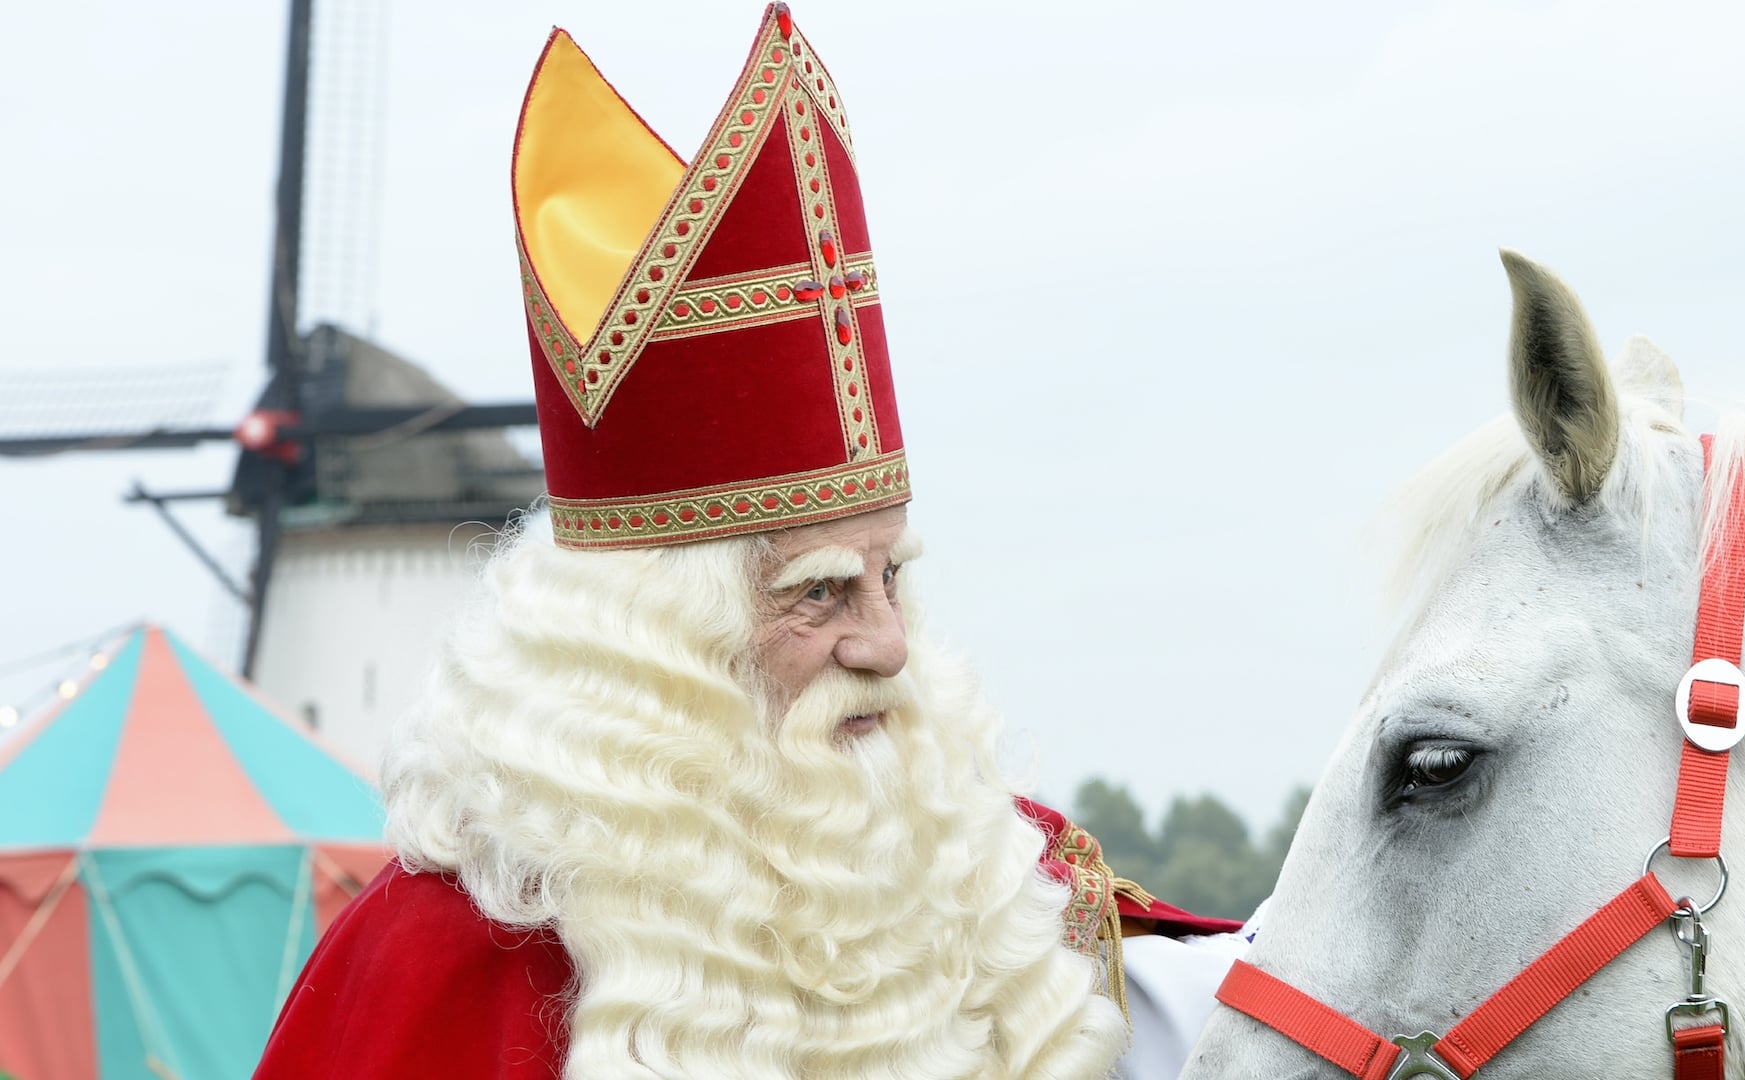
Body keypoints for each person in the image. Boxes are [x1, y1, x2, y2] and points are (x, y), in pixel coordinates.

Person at [254, 6, 1238, 1077]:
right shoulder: (433, 958)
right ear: (647, 651)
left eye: (889, 578)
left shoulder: (1006, 880)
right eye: (819, 595)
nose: (888, 645)